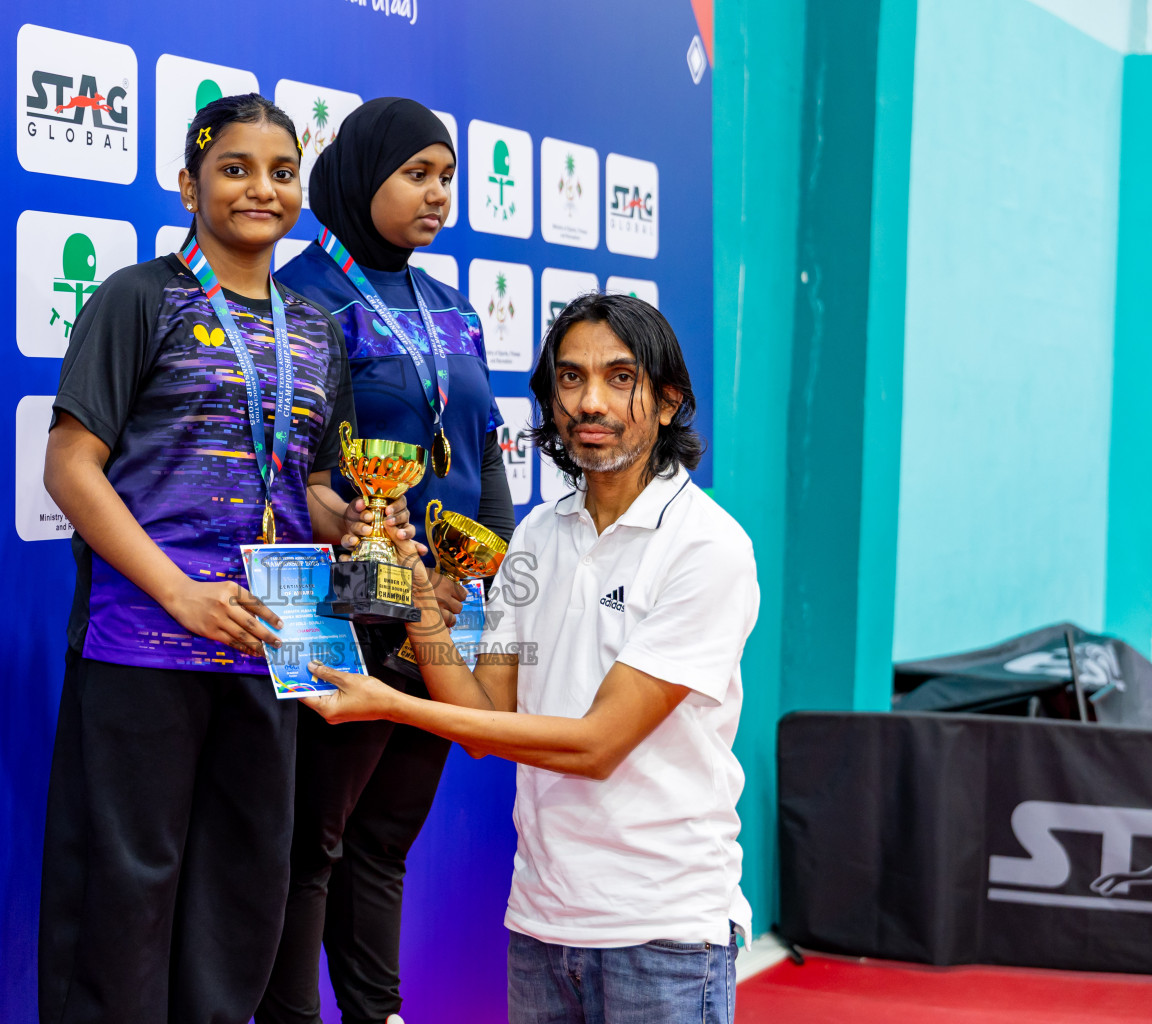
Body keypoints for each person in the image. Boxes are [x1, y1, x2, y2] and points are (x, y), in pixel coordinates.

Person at [37, 93, 409, 1024]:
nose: (260, 188)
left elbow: (313, 485)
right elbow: (70, 467)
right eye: (235, 167)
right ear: (189, 183)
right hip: (143, 647)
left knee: (240, 899)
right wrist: (181, 594)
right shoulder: (140, 296)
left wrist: (355, 526)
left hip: (270, 647)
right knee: (125, 899)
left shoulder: (318, 330)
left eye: (281, 171)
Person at [303, 293, 758, 1024]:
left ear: (669, 402)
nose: (590, 401)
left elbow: (596, 745)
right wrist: (418, 599)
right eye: (570, 379)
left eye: (620, 378)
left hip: (664, 933)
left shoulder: (707, 548)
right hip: (542, 925)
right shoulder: (539, 537)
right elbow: (483, 718)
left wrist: (389, 702)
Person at [260, 98, 514, 1024]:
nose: (438, 194)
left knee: (388, 839)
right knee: (312, 842)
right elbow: (303, 474)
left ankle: (379, 1013)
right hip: (339, 607)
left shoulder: (454, 309)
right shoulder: (301, 301)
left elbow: (484, 454)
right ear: (363, 176)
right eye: (417, 174)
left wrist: (476, 573)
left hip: (441, 610)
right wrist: (384, 569)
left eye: (446, 176)